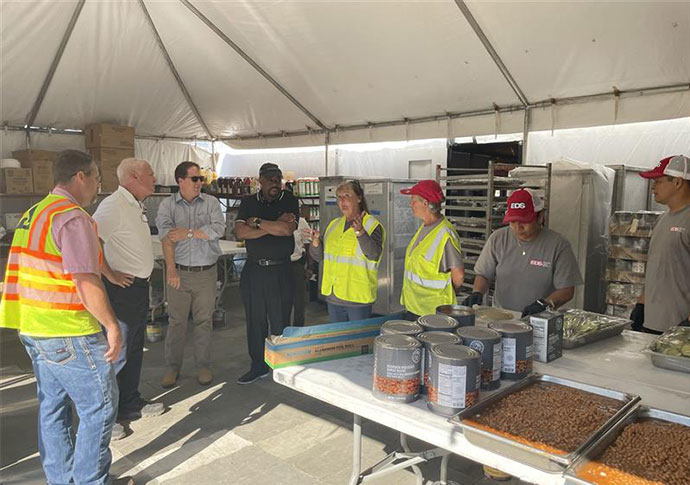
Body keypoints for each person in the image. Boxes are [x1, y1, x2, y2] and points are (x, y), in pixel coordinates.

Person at [0, 149, 123, 485]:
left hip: (33, 329)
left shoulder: (35, 212)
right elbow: (84, 280)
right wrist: (111, 325)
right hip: (68, 330)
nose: (99, 185)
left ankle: (60, 479)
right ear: (80, 177)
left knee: (53, 409)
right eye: (97, 177)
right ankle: (89, 480)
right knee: (98, 409)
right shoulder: (73, 217)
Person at [93, 158, 164, 438]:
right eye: (150, 173)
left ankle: (130, 402)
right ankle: (109, 417)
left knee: (134, 347)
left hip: (136, 288)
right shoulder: (113, 205)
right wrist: (109, 274)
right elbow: (90, 240)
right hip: (121, 291)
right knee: (118, 351)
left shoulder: (134, 205)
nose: (155, 177)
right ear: (134, 176)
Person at [156, 161, 225, 388]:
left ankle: (202, 365)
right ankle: (172, 367)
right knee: (176, 322)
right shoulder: (167, 206)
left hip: (206, 272)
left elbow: (218, 229)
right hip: (180, 273)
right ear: (180, 181)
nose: (199, 183)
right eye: (195, 179)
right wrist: (171, 270)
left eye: (201, 179)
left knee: (204, 321)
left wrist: (189, 233)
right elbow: (166, 237)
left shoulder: (212, 203)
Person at [464, 188, 583, 316]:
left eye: (525, 221)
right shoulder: (498, 239)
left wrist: (545, 303)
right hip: (501, 317)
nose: (518, 227)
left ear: (540, 217)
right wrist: (477, 292)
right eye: (513, 221)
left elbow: (567, 290)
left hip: (539, 319)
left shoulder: (558, 245)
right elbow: (484, 274)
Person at [235, 162, 299, 384]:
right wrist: (270, 225)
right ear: (259, 180)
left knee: (281, 320)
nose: (275, 183)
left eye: (278, 178)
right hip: (254, 270)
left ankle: (281, 364)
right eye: (270, 179)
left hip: (281, 269)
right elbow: (240, 232)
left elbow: (286, 230)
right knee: (255, 321)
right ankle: (258, 365)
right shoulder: (248, 202)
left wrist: (257, 223)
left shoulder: (290, 200)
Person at [308, 180, 385, 322]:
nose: (342, 201)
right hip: (334, 298)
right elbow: (318, 257)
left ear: (359, 198)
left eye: (347, 196)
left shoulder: (372, 225)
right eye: (339, 197)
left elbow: (373, 254)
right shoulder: (334, 225)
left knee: (357, 342)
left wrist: (361, 232)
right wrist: (315, 242)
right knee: (339, 342)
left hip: (357, 300)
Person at [631, 155, 690, 333]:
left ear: (678, 182)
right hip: (652, 320)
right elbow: (657, 268)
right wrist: (641, 303)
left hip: (679, 326)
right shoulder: (663, 219)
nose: (653, 187)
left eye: (658, 181)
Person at [400, 180, 464, 320]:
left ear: (425, 203)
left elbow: (458, 276)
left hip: (433, 313)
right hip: (414, 306)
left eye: (413, 200)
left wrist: (446, 294)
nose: (411, 204)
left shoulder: (445, 234)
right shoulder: (425, 227)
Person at [290, 205, 311, 326]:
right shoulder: (273, 220)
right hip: (278, 266)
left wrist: (310, 267)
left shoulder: (301, 222)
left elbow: (308, 245)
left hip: (296, 265)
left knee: (299, 302)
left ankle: (298, 331)